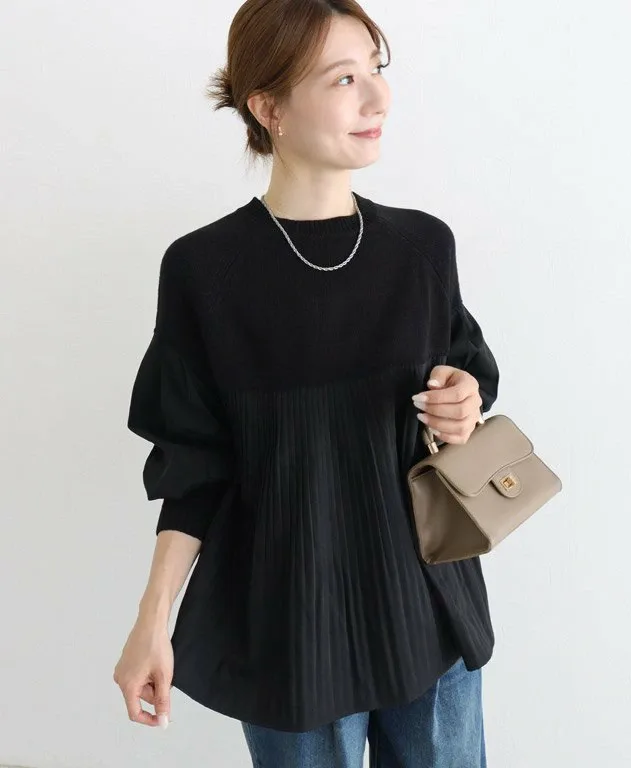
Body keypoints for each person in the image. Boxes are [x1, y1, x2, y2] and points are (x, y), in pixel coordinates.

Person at [113, 1, 500, 766]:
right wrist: (151, 621)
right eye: (344, 79)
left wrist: (463, 404)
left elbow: (466, 383)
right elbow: (193, 465)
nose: (378, 98)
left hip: (428, 610)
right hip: (289, 628)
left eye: (377, 71)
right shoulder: (204, 272)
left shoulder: (422, 248)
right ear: (270, 109)